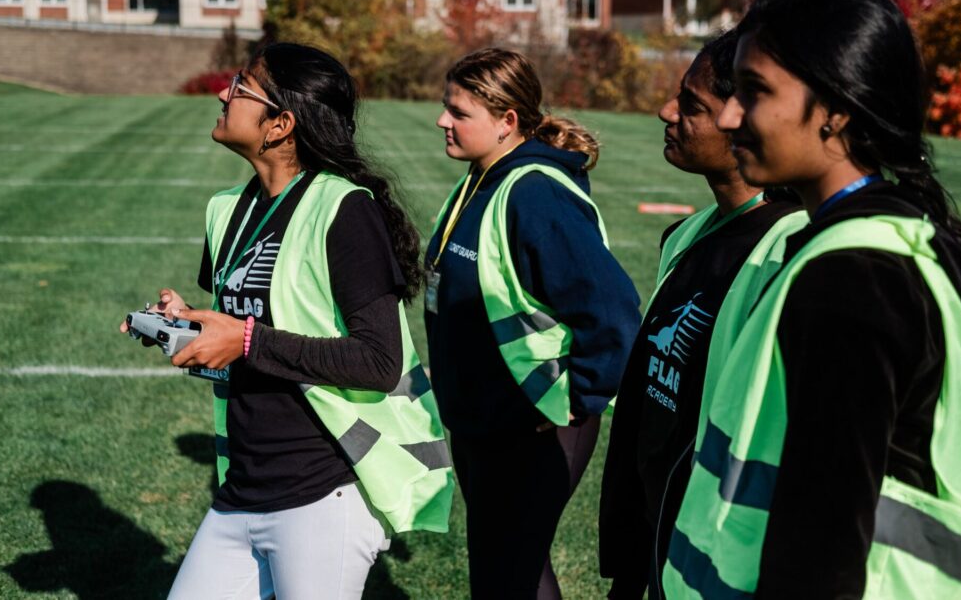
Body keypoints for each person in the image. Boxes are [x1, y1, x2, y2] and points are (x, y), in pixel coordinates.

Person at [663, 0, 961, 599]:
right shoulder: (911, 237)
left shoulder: (854, 277)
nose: (728, 116)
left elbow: (823, 538)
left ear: (838, 110)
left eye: (754, 92)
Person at [122, 42, 454, 599]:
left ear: (280, 125)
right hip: (244, 487)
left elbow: (378, 361)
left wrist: (244, 339)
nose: (223, 93)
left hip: (325, 491)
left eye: (241, 86)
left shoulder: (345, 210)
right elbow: (244, 334)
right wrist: (189, 327)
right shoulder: (225, 208)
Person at [424, 47, 642, 598]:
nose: (442, 121)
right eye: (446, 106)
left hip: (537, 428)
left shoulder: (535, 192)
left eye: (459, 112)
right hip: (485, 421)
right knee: (511, 571)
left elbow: (613, 310)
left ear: (507, 121)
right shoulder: (483, 177)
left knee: (508, 577)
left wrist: (573, 399)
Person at [597, 31, 805, 599]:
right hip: (659, 534)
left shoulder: (786, 252)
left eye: (691, 105)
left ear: (745, 118)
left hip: (716, 557)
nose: (666, 112)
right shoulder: (687, 233)